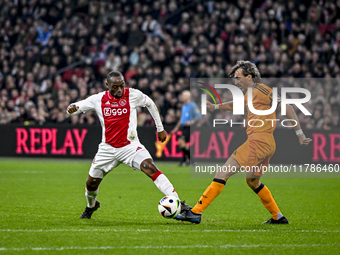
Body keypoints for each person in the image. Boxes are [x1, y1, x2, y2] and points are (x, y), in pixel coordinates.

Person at [176, 60, 312, 224]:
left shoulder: (262, 89)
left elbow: (287, 107)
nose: (236, 82)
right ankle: (278, 217)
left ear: (249, 76)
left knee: (222, 173)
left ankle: (196, 212)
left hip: (259, 141)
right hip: (266, 143)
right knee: (253, 181)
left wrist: (300, 134)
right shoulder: (249, 93)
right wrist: (215, 107)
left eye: (238, 78)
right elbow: (236, 104)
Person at [67, 70, 190, 219]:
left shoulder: (132, 94)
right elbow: (76, 107)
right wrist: (71, 109)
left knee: (151, 167)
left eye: (121, 86)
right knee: (91, 183)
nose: (119, 90)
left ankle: (178, 202)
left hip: (130, 146)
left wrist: (160, 128)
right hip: (107, 149)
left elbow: (150, 103)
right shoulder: (98, 99)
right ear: (107, 85)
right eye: (115, 87)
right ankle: (91, 206)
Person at [171, 90, 202, 166]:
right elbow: (182, 119)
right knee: (183, 144)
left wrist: (191, 122)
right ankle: (187, 161)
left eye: (183, 95)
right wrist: (176, 128)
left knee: (181, 141)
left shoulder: (192, 105)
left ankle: (189, 161)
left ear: (188, 97)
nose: (182, 97)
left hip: (190, 127)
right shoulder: (184, 106)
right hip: (184, 127)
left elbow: (199, 116)